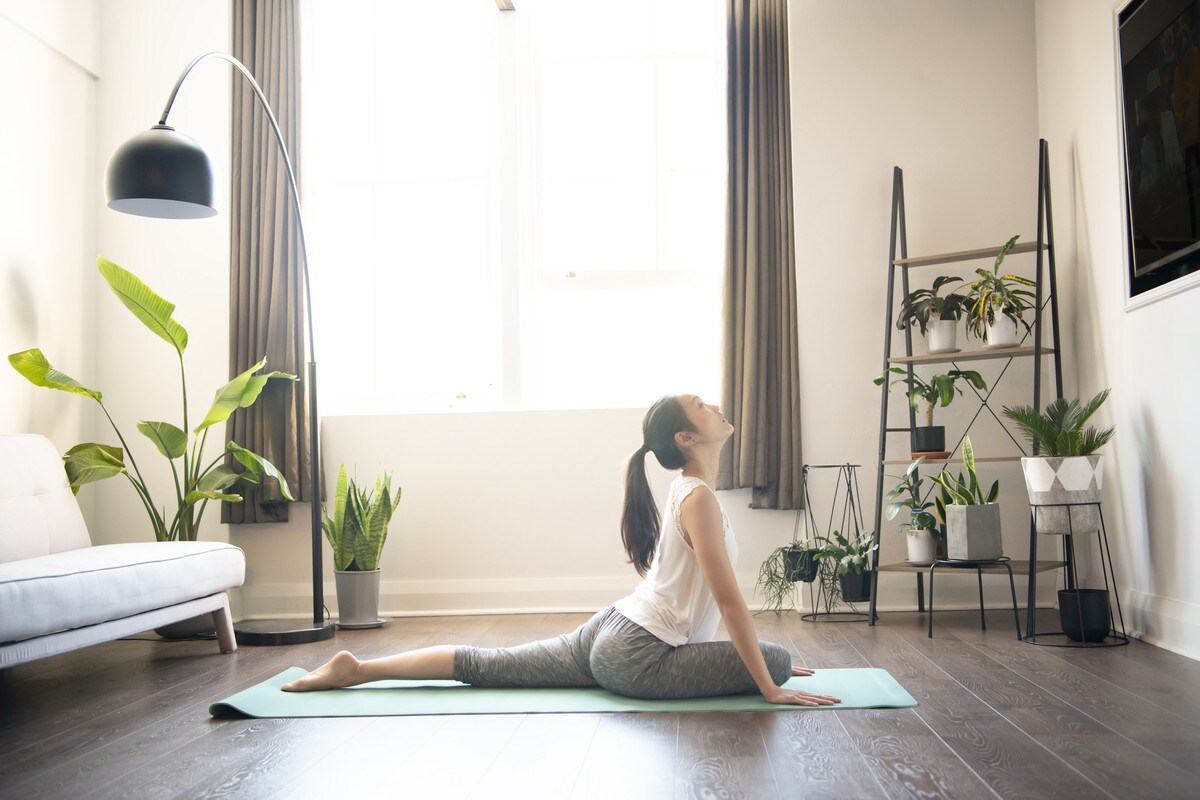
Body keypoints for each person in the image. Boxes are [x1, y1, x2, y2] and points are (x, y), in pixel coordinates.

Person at [282, 394, 840, 707]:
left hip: (613, 629)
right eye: (701, 405)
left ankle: (359, 669)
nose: (714, 404)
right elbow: (732, 603)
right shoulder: (697, 500)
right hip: (638, 655)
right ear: (686, 439)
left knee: (488, 666)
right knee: (778, 659)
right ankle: (357, 670)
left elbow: (711, 608)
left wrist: (742, 664)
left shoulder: (685, 492)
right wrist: (765, 681)